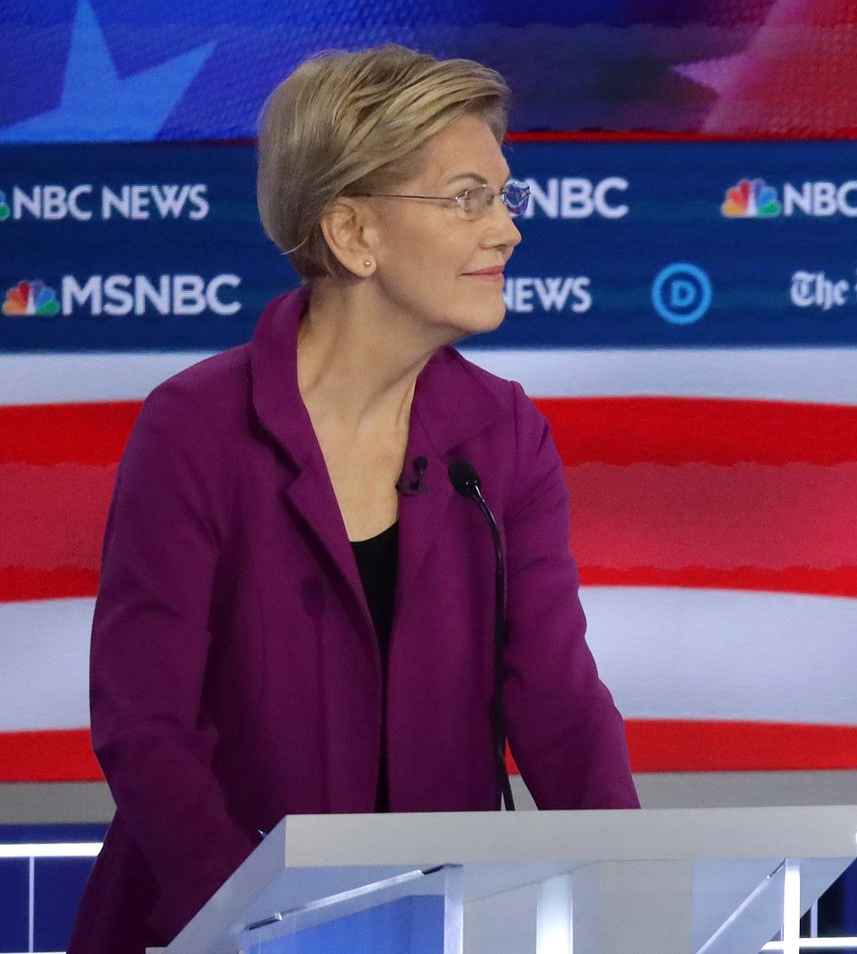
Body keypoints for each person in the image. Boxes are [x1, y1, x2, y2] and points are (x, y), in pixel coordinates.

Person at [71, 46, 639, 951]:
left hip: (438, 926)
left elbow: (557, 699)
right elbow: (148, 729)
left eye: (503, 196)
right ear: (353, 233)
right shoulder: (196, 430)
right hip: (212, 930)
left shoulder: (505, 436)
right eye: (468, 198)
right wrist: (267, 927)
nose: (507, 232)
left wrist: (631, 893)